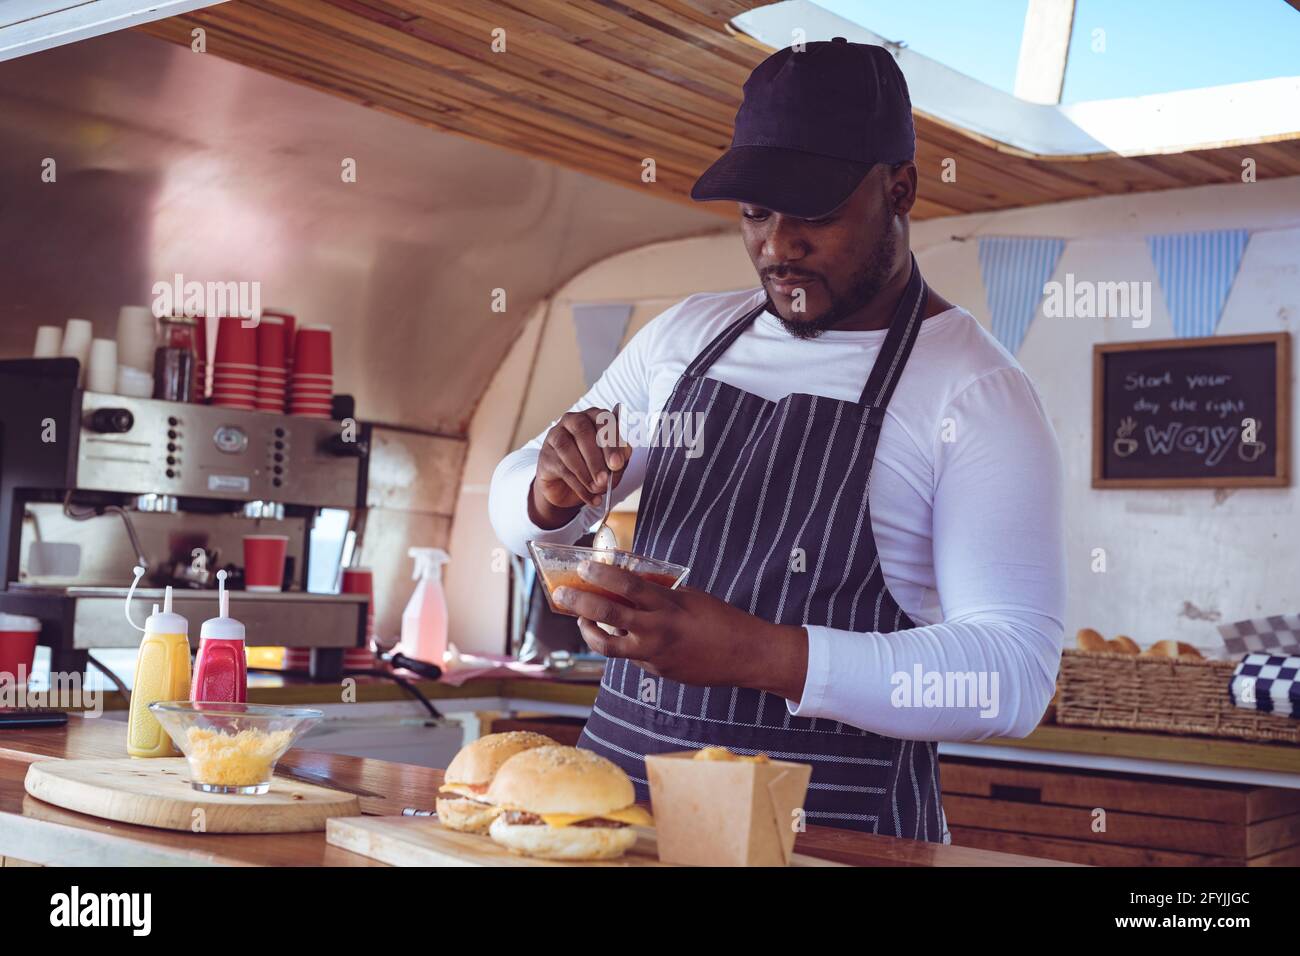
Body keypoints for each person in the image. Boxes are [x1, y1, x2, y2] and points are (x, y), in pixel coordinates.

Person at [490, 38, 1065, 842]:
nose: (777, 245)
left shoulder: (977, 395)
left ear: (900, 188)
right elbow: (516, 497)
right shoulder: (687, 335)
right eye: (756, 212)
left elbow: (1012, 676)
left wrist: (763, 654)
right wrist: (547, 490)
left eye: (816, 213)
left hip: (828, 836)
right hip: (616, 820)